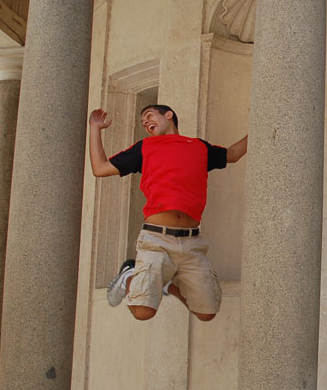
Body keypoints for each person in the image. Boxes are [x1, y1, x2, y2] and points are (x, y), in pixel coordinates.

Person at [89, 104, 248, 322]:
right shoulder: (145, 147)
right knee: (143, 312)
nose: (145, 122)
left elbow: (233, 154)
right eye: (143, 122)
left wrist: (260, 124)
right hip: (156, 239)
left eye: (149, 116)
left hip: (192, 242)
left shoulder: (199, 147)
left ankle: (169, 285)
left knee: (206, 313)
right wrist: (95, 128)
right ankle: (129, 276)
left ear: (169, 115)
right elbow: (100, 168)